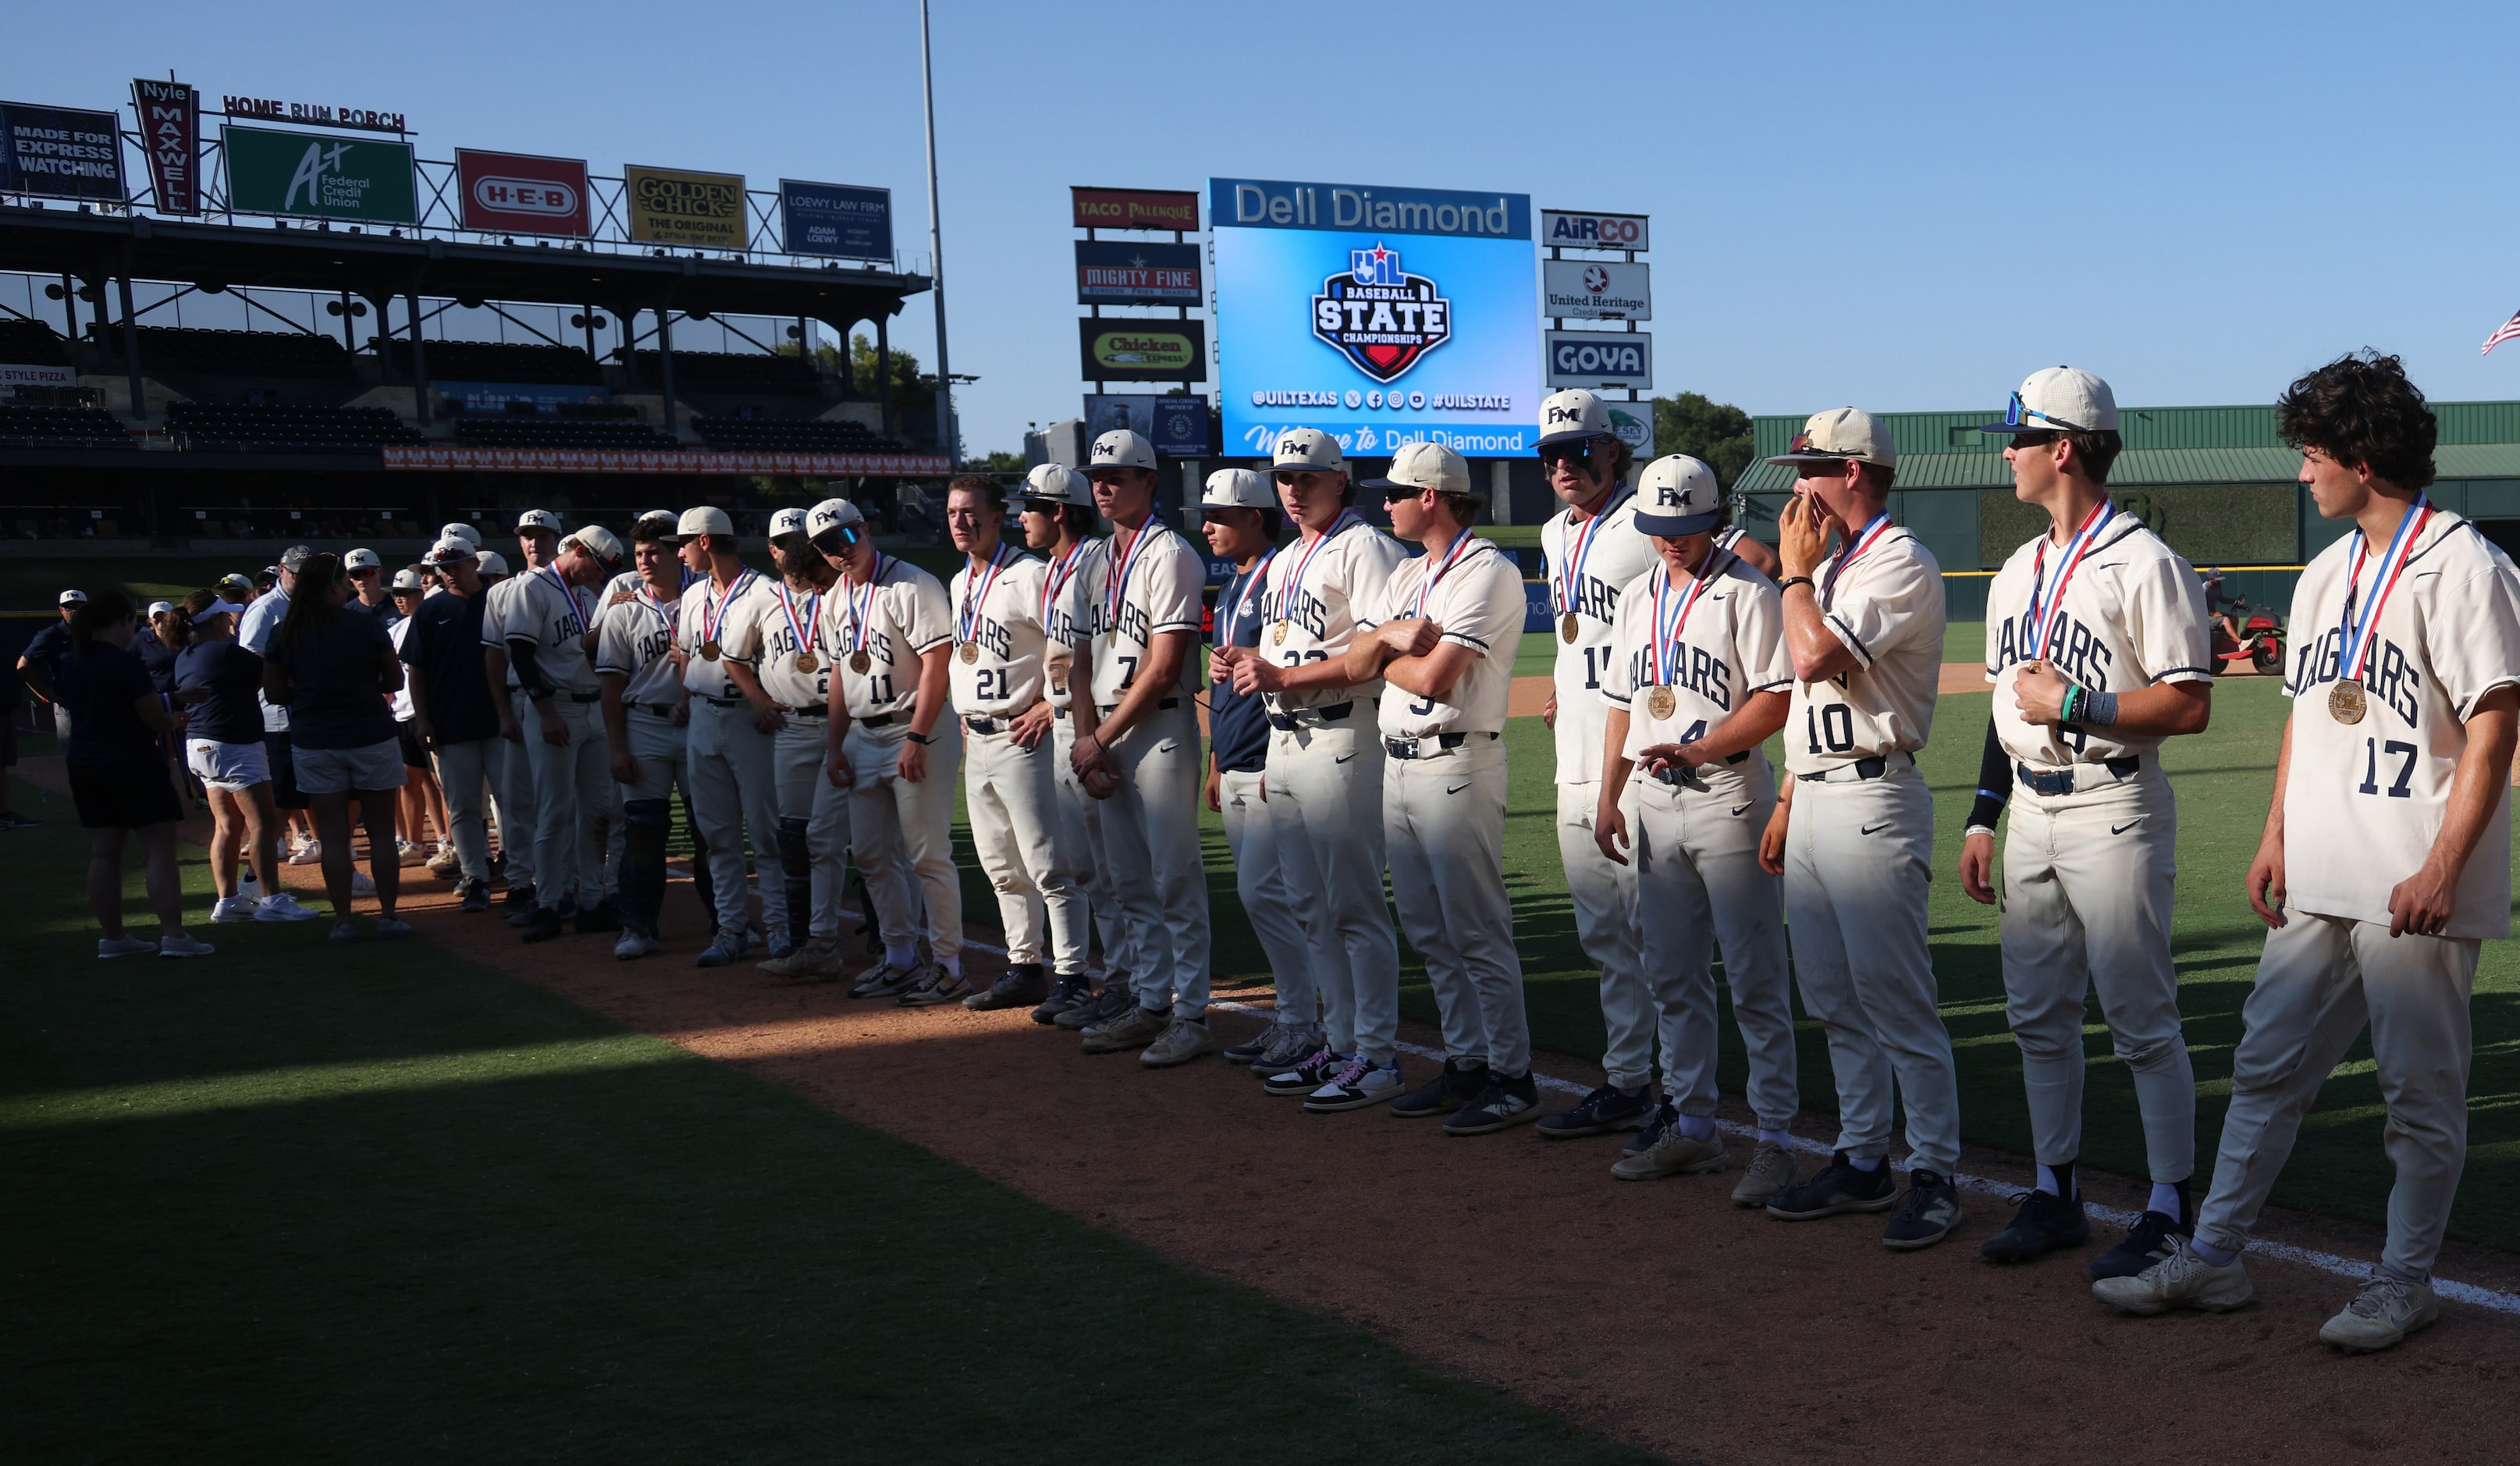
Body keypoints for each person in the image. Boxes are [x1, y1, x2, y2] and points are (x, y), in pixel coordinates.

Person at [2096, 353, 2520, 1352]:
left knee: (2418, 1096)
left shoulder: (2466, 565)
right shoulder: (2326, 573)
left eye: (2312, 455)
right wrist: (2275, 832)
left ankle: (2403, 1280)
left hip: (2413, 879)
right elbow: (2302, 719)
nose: (2302, 474)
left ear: (2363, 459)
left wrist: (2444, 869)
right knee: (2263, 1068)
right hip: (2320, 871)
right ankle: (2216, 1255)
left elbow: (2496, 730)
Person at [1955, 368, 2216, 1275]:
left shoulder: (2146, 561)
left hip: (2114, 804)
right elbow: (2005, 708)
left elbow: (2187, 707)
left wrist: (2075, 701)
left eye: (2019, 438)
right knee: (2037, 1017)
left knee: (2141, 1019)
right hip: (2029, 808)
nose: (2008, 452)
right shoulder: (2018, 568)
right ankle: (2055, 1192)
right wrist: (1983, 816)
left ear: (2063, 448)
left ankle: (2169, 1203)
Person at [1757, 407, 1964, 1250]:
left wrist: (1794, 577)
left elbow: (1812, 661)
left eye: (1810, 470)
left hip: (1876, 798)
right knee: (1833, 998)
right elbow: (1804, 701)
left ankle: (1936, 1173)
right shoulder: (1835, 566)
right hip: (1815, 795)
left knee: (1896, 1000)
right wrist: (1785, 799)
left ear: (1855, 474)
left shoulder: (1896, 562)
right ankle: (1861, 1157)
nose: (1796, 487)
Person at [1591, 456, 1798, 1194]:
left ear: (1713, 520)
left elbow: (1776, 701)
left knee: (1754, 979)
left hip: (1729, 794)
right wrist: (1608, 793)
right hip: (1654, 799)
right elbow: (1620, 703)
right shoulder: (1637, 594)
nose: (1670, 541)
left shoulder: (1749, 592)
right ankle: (1692, 1127)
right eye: (1657, 528)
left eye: (1683, 527)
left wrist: (1704, 746)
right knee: (1670, 974)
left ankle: (1774, 1137)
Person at [1335, 443, 1531, 1126]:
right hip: (1399, 762)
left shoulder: (1487, 572)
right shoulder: (1407, 576)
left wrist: (1379, 652)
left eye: (1393, 493)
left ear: (1431, 497)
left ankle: (1511, 1076)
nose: (1381, 504)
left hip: (1457, 762)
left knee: (1476, 930)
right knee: (1427, 929)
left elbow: (1429, 678)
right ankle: (1465, 1062)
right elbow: (1356, 659)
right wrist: (1390, 635)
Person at [1221, 429, 1409, 1101]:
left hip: (1342, 736)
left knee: (1354, 906)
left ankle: (1378, 1058)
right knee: (1308, 905)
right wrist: (1251, 667)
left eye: (1307, 477)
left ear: (1339, 479)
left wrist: (1285, 676)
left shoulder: (1366, 547)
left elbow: (1377, 654)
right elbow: (1285, 651)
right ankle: (1340, 1043)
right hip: (1287, 740)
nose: (1294, 489)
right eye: (1284, 478)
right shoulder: (1286, 559)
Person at [1531, 390, 1661, 1137]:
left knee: (1654, 935)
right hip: (1572, 755)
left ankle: (1679, 1091)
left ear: (1611, 450)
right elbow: (1575, 633)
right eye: (1550, 454)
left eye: (1576, 450)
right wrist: (1557, 683)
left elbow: (1746, 563)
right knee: (1603, 936)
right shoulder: (1553, 535)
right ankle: (1626, 1080)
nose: (1562, 465)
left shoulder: (1647, 517)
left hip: (1639, 752)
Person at [1068, 429, 1215, 1061]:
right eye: (1097, 475)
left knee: (1173, 877)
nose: (1103, 484)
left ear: (1148, 481)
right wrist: (1085, 738)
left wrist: (1096, 739)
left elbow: (1162, 667)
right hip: (1101, 731)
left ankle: (1193, 1015)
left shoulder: (1171, 554)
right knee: (1127, 880)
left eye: (1118, 475)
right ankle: (1151, 1003)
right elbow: (1074, 661)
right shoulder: (1091, 559)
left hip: (1157, 730)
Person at [1202, 468, 1338, 1072]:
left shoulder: (1278, 576)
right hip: (1232, 758)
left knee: (1273, 896)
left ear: (1257, 518)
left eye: (1222, 517)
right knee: (1265, 898)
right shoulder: (1232, 587)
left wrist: (1262, 760)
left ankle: (1303, 1023)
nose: (1209, 528)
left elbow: (1290, 666)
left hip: (1268, 759)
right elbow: (1234, 680)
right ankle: (1294, 1018)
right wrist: (1213, 761)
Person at [940, 475, 1091, 1014]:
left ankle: (1073, 977)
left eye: (970, 512)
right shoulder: (961, 583)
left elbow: (1068, 647)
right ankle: (1024, 967)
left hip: (1021, 737)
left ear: (998, 514)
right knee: (1001, 865)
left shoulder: (1029, 574)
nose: (961, 522)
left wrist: (1048, 707)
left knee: (1049, 863)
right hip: (977, 738)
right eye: (953, 513)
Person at [817, 496, 967, 1002]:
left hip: (913, 728)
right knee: (872, 856)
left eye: (844, 537)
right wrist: (834, 746)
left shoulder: (912, 583)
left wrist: (918, 737)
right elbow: (839, 675)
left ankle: (948, 964)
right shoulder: (834, 598)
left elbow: (936, 666)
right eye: (826, 545)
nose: (840, 551)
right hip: (862, 736)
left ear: (864, 528)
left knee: (927, 856)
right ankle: (900, 959)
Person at [1021, 463, 1139, 1028]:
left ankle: (1132, 984)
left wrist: (1086, 727)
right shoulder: (1053, 567)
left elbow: (1095, 652)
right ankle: (1119, 982)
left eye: (1030, 507)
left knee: (1115, 869)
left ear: (1058, 511)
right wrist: (1051, 700)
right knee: (1089, 869)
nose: (1022, 518)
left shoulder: (1092, 561)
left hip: (1089, 725)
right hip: (1067, 723)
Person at [261, 552, 410, 944]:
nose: (348, 586)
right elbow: (393, 680)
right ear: (332, 585)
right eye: (344, 581)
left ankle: (343, 921)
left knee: (333, 835)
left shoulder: (284, 631)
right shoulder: (363, 625)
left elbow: (275, 692)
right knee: (380, 831)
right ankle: (389, 916)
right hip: (369, 734)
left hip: (314, 739)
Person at [57, 589, 214, 959]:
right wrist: (174, 718)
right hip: (132, 763)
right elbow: (151, 718)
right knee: (159, 849)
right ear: (124, 621)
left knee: (105, 854)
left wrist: (175, 698)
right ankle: (174, 937)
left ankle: (113, 939)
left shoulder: (74, 660)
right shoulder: (124, 662)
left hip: (86, 763)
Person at [741, 507, 854, 980]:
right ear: (773, 551)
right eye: (786, 544)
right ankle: (802, 938)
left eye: (802, 543)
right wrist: (760, 701)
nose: (795, 551)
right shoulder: (763, 599)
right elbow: (732, 658)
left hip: (846, 727)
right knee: (796, 837)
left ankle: (882, 939)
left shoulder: (839, 595)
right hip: (791, 728)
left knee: (868, 839)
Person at [498, 525, 625, 943]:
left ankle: (591, 900)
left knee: (596, 810)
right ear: (577, 550)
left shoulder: (587, 594)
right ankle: (548, 903)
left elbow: (584, 647)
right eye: (598, 564)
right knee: (554, 810)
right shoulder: (531, 588)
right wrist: (546, 710)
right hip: (556, 707)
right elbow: (520, 652)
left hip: (592, 706)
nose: (599, 574)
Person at [677, 505, 784, 967]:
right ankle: (731, 928)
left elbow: (782, 657)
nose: (676, 554)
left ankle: (779, 928)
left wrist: (766, 700)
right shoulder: (694, 595)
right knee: (716, 834)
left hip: (749, 719)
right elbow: (684, 655)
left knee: (767, 831)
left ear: (704, 541)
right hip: (703, 714)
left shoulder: (765, 592)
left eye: (680, 544)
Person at [172, 589, 318, 923]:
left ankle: (228, 902)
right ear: (214, 620)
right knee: (265, 824)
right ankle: (272, 900)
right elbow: (271, 673)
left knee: (226, 827)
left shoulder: (187, 654)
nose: (232, 620)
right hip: (234, 745)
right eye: (227, 615)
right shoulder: (225, 652)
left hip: (201, 745)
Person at [597, 516, 706, 959]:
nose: (645, 560)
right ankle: (638, 928)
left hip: (700, 722)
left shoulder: (705, 600)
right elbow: (610, 684)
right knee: (643, 830)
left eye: (654, 551)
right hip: (645, 723)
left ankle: (730, 924)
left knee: (709, 829)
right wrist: (617, 746)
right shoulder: (625, 608)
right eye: (639, 553)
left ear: (676, 552)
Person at [403, 539, 506, 913]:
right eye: (443, 568)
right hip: (451, 722)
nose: (449, 573)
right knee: (462, 806)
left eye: (457, 565)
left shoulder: (498, 602)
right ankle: (476, 875)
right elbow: (417, 669)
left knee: (511, 801)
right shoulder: (431, 610)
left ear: (474, 563)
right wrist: (424, 718)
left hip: (499, 720)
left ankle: (522, 875)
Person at [238, 548, 320, 866]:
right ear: (282, 571)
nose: (301, 580)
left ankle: (325, 848)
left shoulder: (310, 606)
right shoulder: (265, 609)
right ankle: (256, 877)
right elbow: (248, 662)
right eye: (296, 573)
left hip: (305, 713)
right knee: (283, 796)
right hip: (277, 718)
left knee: (312, 788)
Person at [385, 569, 450, 869]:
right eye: (396, 594)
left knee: (441, 783)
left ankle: (448, 840)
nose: (399, 599)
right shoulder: (396, 630)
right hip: (402, 714)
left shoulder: (432, 625)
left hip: (430, 713)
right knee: (409, 782)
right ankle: (414, 843)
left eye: (405, 593)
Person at [20, 588, 84, 746]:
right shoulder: (51, 635)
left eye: (79, 606)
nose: (75, 611)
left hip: (99, 702)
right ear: (61, 610)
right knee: (73, 755)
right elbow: (23, 665)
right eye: (69, 607)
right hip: (68, 705)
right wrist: (45, 695)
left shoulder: (98, 632)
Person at [346, 548, 401, 628]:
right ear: (349, 578)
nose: (362, 579)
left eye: (367, 573)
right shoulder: (346, 612)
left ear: (380, 571)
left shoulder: (400, 606)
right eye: (355, 574)